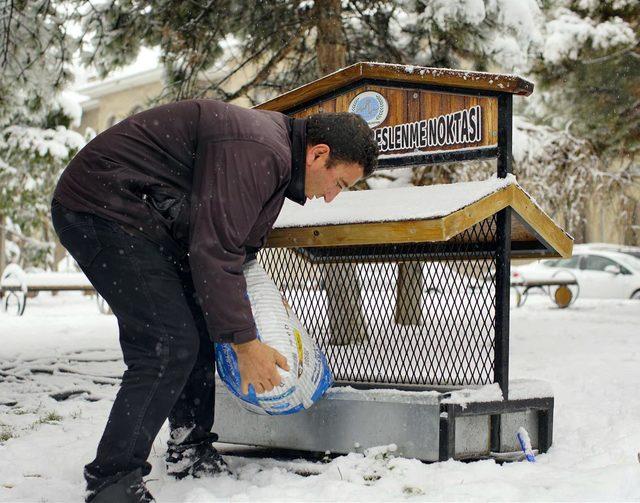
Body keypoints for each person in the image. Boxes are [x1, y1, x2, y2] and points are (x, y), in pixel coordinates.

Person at [50, 98, 378, 503]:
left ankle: (190, 447)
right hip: (105, 208)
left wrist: (266, 318)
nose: (332, 197)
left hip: (147, 220)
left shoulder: (274, 161)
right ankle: (113, 483)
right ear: (319, 154)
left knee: (198, 332)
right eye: (339, 184)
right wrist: (246, 343)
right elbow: (215, 251)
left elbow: (239, 253)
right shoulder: (260, 149)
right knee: (167, 345)